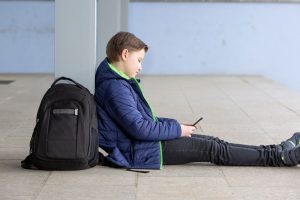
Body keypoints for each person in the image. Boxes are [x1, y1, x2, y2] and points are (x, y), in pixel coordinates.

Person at [95, 31, 300, 170]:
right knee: (214, 149)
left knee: (214, 142)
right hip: (142, 150)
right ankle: (279, 157)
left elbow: (143, 120)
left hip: (144, 143)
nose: (140, 67)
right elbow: (139, 128)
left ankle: (277, 150)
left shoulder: (117, 82)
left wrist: (175, 125)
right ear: (124, 54)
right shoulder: (115, 87)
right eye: (139, 60)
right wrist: (177, 130)